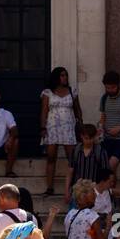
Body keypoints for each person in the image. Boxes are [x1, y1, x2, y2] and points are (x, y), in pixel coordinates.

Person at [40, 67, 82, 197]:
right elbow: (44, 111)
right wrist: (42, 127)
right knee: (51, 157)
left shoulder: (71, 91)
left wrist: (80, 123)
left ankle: (74, 186)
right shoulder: (48, 92)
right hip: (52, 127)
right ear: (56, 77)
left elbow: (77, 109)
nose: (65, 78)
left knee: (72, 158)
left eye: (66, 75)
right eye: (62, 75)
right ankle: (50, 187)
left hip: (68, 127)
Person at [67, 123, 111, 204]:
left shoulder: (100, 152)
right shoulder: (76, 151)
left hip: (94, 192)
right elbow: (70, 171)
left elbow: (106, 174)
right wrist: (67, 191)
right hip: (77, 191)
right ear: (81, 136)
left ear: (94, 137)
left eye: (91, 138)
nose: (88, 141)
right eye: (86, 138)